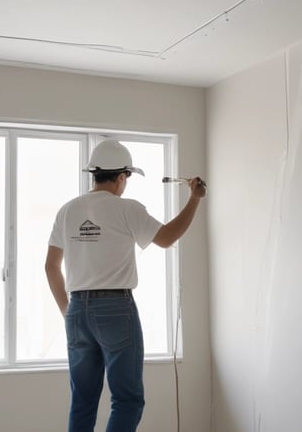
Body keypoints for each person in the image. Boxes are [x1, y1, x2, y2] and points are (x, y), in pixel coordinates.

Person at [45, 139, 206, 432]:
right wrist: (194, 198)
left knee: (82, 400)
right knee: (128, 401)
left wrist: (69, 311)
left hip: (77, 311)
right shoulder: (126, 209)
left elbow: (51, 266)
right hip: (115, 309)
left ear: (94, 173)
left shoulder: (67, 211)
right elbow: (167, 238)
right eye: (127, 178)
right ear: (121, 177)